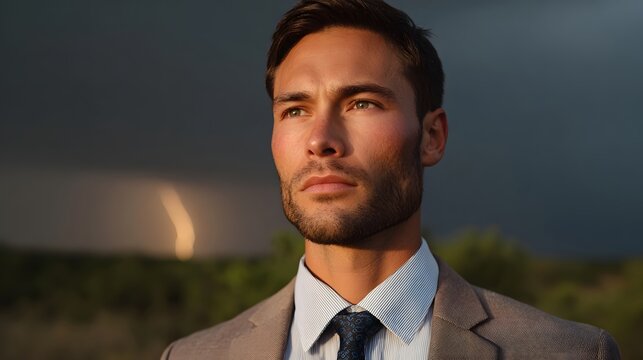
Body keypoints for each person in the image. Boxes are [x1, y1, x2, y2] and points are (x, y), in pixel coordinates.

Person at [161, 0, 621, 359]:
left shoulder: (568, 353)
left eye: (362, 103)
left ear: (432, 137)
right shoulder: (190, 356)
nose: (320, 140)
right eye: (295, 110)